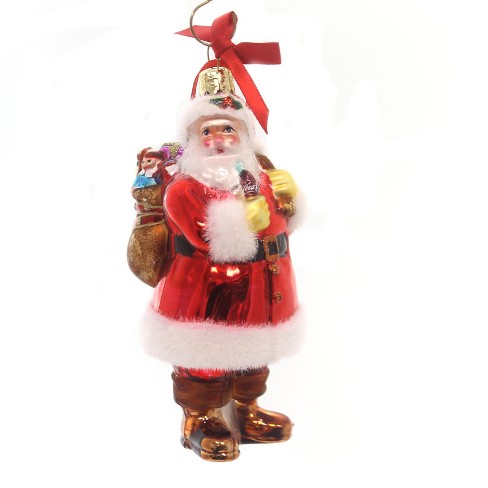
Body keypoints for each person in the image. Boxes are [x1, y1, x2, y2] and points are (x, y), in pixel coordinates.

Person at [138, 68, 304, 462]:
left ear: (243, 135)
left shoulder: (261, 176)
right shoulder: (185, 187)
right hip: (207, 293)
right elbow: (210, 238)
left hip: (264, 287)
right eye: (207, 131)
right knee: (206, 359)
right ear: (194, 140)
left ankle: (246, 409)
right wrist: (249, 215)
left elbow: (280, 224)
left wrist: (289, 202)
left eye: (228, 129)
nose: (218, 139)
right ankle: (200, 418)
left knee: (254, 355)